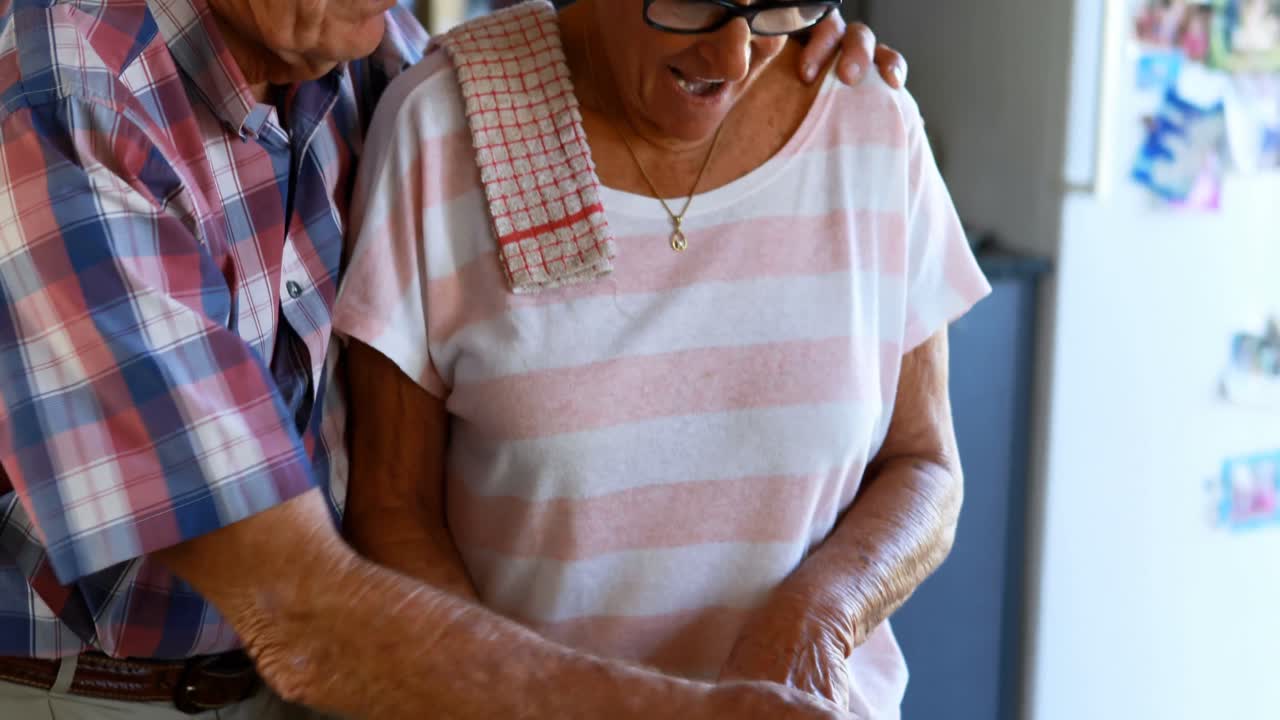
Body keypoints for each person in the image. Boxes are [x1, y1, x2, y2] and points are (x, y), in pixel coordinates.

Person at [0, 0, 908, 714]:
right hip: (91, 702)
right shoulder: (59, 94)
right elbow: (298, 613)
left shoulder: (360, 42)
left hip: (314, 695)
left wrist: (779, 40)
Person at [333, 0, 990, 718]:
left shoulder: (872, 121)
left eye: (774, 7)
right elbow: (394, 510)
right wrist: (522, 698)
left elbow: (924, 466)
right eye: (696, 4)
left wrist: (818, 617)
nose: (734, 58)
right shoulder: (442, 129)